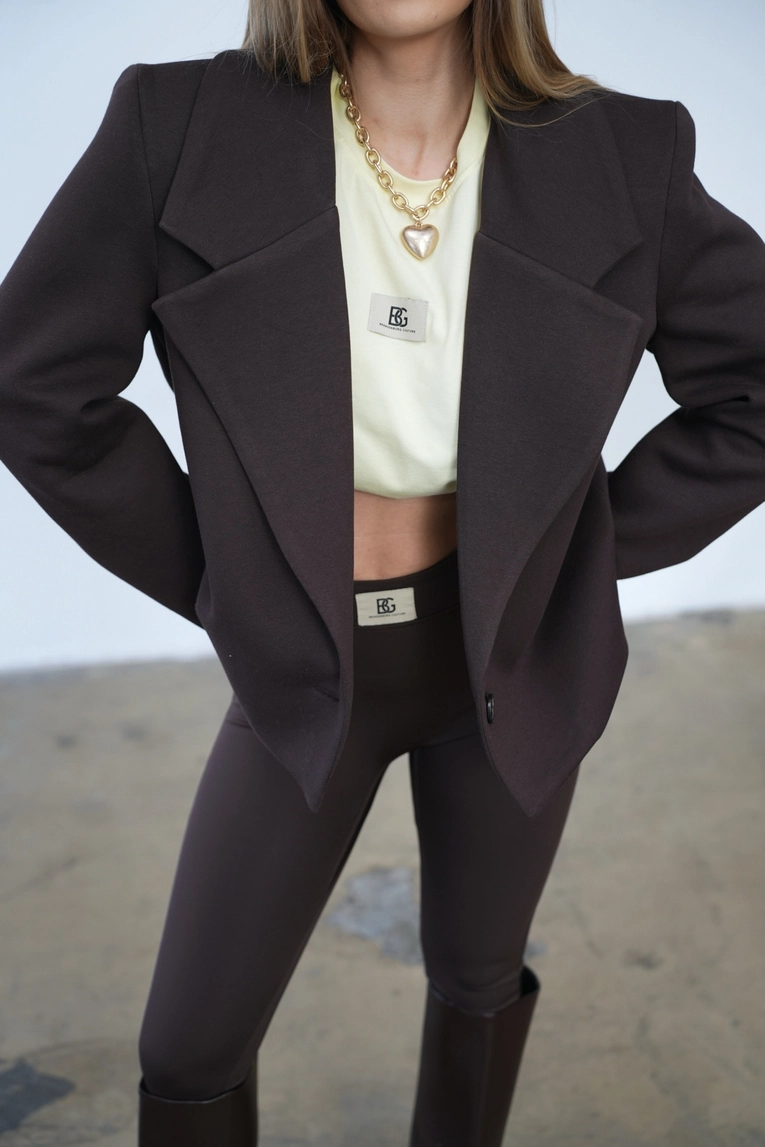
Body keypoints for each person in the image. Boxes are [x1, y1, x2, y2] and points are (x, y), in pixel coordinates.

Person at [1, 0, 764, 1143]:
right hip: (310, 663)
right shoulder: (180, 122)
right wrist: (230, 572)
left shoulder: (625, 150)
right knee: (189, 1046)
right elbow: (34, 385)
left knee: (478, 975)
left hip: (510, 656)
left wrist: (579, 548)